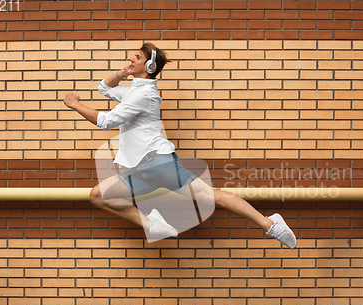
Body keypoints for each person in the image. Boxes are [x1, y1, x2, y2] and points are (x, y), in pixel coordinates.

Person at [63, 42, 297, 249]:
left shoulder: (142, 95)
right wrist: (124, 72)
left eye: (137, 57)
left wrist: (74, 105)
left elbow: (106, 121)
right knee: (98, 196)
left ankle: (271, 224)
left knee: (210, 197)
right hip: (141, 169)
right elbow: (104, 88)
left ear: (150, 67)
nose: (131, 59)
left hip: (157, 164)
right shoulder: (135, 90)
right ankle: (153, 224)